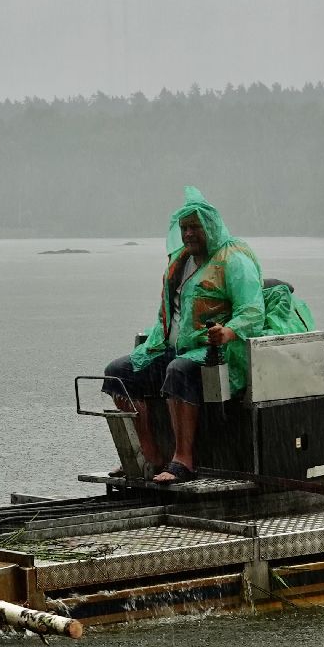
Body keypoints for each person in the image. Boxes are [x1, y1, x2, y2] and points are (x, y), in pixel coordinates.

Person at [102, 186, 264, 483]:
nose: (188, 234)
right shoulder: (180, 260)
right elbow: (169, 309)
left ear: (210, 226)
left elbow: (253, 311)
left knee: (179, 371)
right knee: (119, 373)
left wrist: (228, 331)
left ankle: (183, 460)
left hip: (217, 354)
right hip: (172, 347)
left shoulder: (233, 259)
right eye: (184, 228)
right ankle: (148, 454)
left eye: (195, 227)